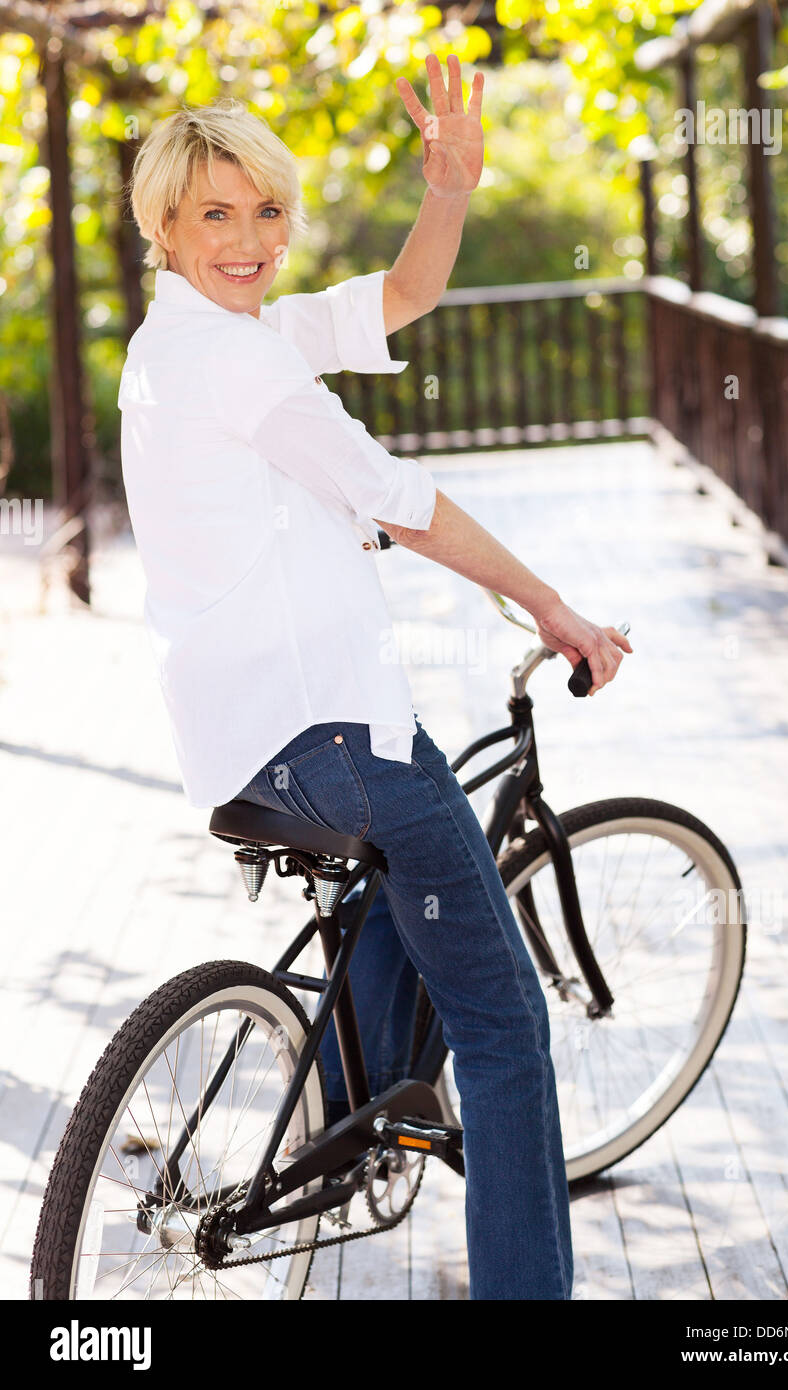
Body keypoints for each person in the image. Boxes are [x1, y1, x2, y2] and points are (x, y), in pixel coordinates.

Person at [120, 63, 631, 1300]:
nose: (249, 240)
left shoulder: (200, 338)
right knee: (506, 1031)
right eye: (214, 217)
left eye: (265, 213)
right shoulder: (240, 367)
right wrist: (551, 607)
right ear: (164, 228)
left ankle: (348, 1113)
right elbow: (399, 503)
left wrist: (447, 185)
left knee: (408, 861)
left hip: (253, 744)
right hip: (335, 737)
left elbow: (401, 294)